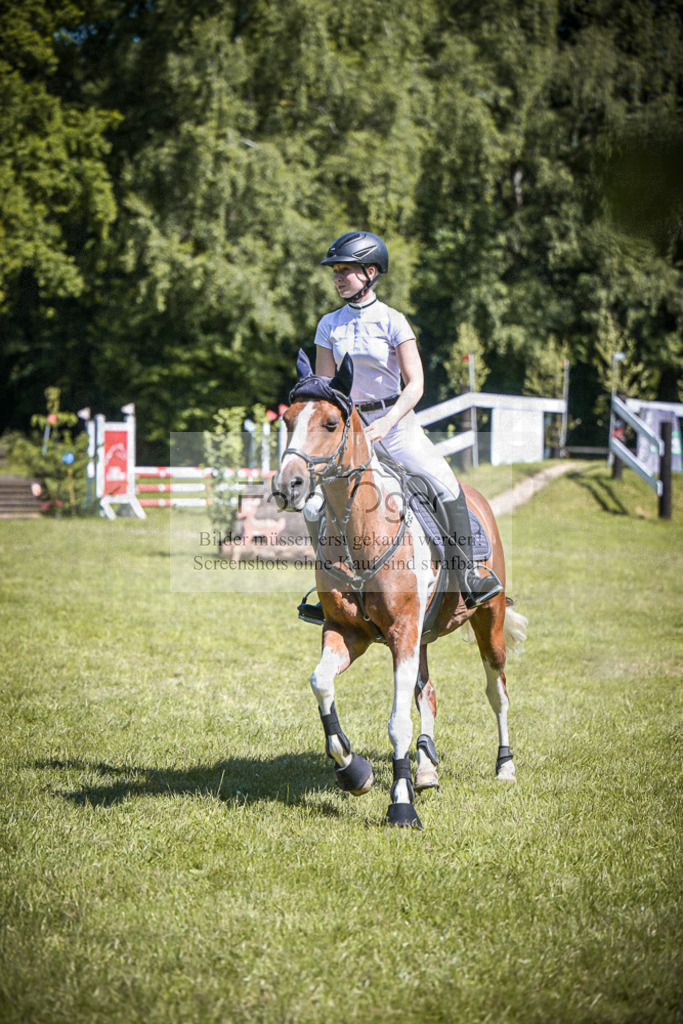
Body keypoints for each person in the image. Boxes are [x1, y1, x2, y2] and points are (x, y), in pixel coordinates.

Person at [303, 229, 503, 610]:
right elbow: (328, 389)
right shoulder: (328, 324)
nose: (338, 277)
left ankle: (469, 574)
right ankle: (330, 589)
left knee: (445, 485)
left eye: (346, 270)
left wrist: (388, 423)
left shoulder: (394, 321)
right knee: (314, 505)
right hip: (352, 433)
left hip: (397, 425)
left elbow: (416, 384)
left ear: (372, 272)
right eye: (336, 271)